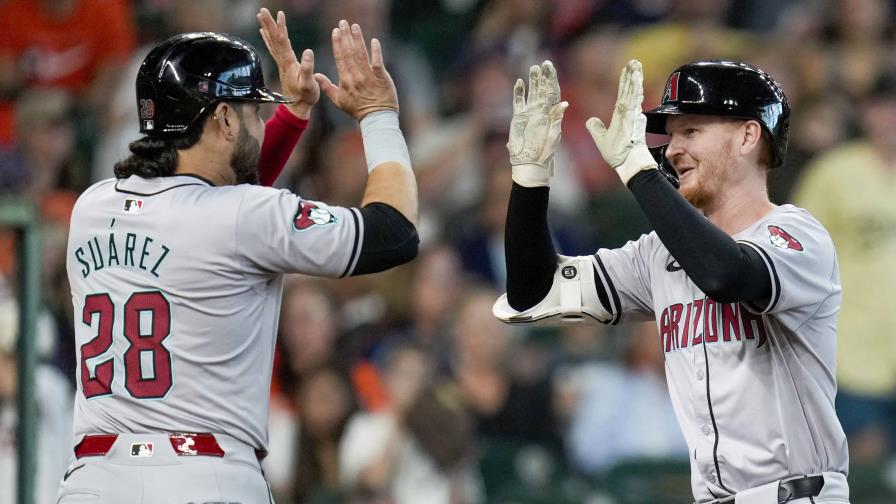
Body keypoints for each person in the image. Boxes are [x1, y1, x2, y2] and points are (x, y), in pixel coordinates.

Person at [58, 8, 418, 503]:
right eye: (254, 110)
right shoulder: (240, 218)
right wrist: (378, 117)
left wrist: (292, 117)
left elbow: (220, 214)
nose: (261, 118)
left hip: (94, 482)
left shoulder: (91, 207)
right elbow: (394, 233)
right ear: (223, 118)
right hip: (204, 478)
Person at [493, 59, 849, 503]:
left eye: (691, 131)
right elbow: (534, 292)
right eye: (671, 134)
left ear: (747, 136)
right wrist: (530, 179)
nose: (672, 148)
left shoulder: (797, 236)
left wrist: (639, 174)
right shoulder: (660, 253)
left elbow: (725, 274)